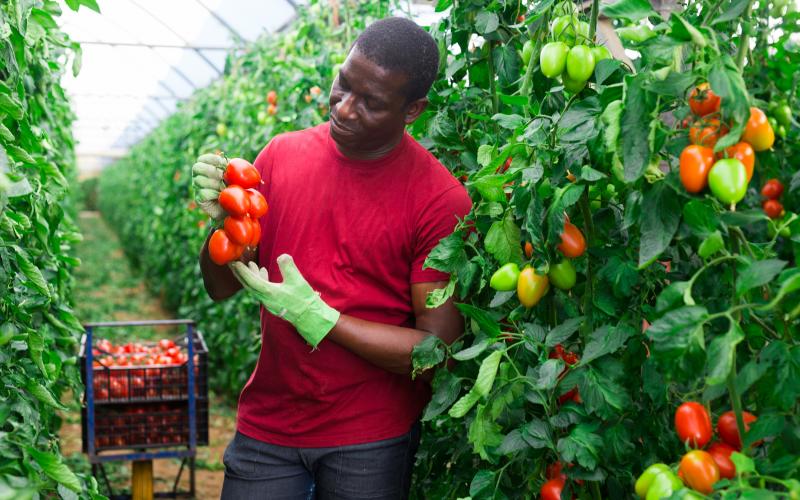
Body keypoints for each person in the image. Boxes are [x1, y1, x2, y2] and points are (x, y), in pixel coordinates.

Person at [193, 16, 472, 500]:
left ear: (413, 110)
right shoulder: (280, 157)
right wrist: (224, 225)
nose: (344, 109)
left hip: (370, 438)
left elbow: (436, 353)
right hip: (269, 424)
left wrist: (323, 320)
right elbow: (219, 287)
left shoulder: (437, 199)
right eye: (342, 86)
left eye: (370, 103)